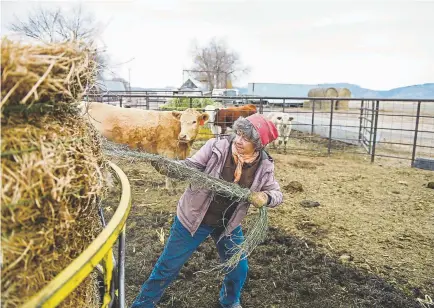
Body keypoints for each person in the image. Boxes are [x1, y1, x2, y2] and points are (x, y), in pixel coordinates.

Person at [131, 114, 283, 308]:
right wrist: (167, 167)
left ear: (259, 144)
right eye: (238, 134)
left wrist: (265, 197)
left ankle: (229, 301)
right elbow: (189, 167)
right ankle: (142, 305)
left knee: (238, 269)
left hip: (227, 225)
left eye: (246, 138)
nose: (238, 140)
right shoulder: (216, 147)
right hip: (194, 219)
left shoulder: (264, 165)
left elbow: (276, 193)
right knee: (167, 267)